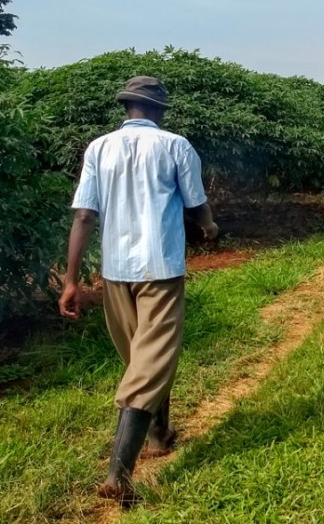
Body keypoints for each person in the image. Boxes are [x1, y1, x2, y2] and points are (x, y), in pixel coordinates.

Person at [58, 76, 218, 506]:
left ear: (127, 107)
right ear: (160, 110)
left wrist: (72, 280)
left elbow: (84, 218)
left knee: (140, 360)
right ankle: (118, 475)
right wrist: (209, 226)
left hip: (114, 272)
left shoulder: (99, 148)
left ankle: (160, 435)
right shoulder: (175, 146)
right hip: (160, 269)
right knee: (149, 364)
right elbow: (195, 202)